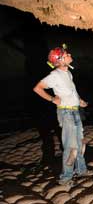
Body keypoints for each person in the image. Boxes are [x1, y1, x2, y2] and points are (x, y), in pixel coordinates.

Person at [33, 45, 88, 185]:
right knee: (71, 147)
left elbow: (70, 90)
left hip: (75, 110)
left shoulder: (68, 73)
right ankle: (66, 178)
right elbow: (37, 88)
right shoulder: (55, 75)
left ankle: (82, 171)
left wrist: (79, 100)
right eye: (66, 54)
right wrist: (52, 99)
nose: (69, 54)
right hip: (66, 113)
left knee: (81, 143)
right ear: (61, 60)